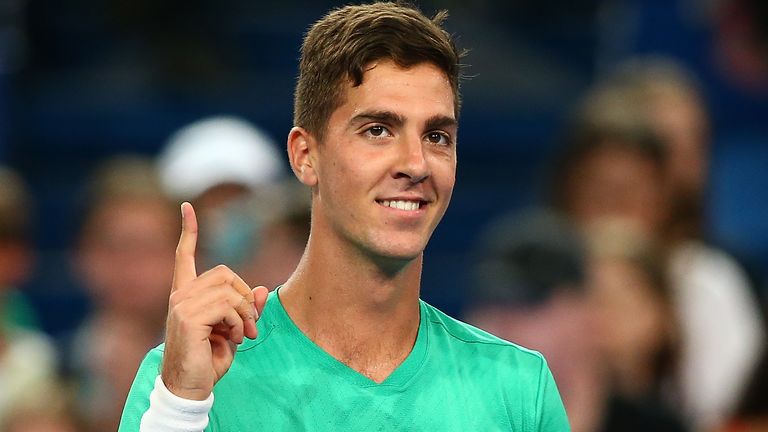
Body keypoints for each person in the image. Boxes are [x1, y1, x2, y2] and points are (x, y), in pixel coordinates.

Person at [120, 2, 570, 431]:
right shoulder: (184, 380)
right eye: (378, 130)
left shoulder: (518, 387)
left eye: (436, 136)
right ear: (305, 156)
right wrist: (181, 409)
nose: (415, 164)